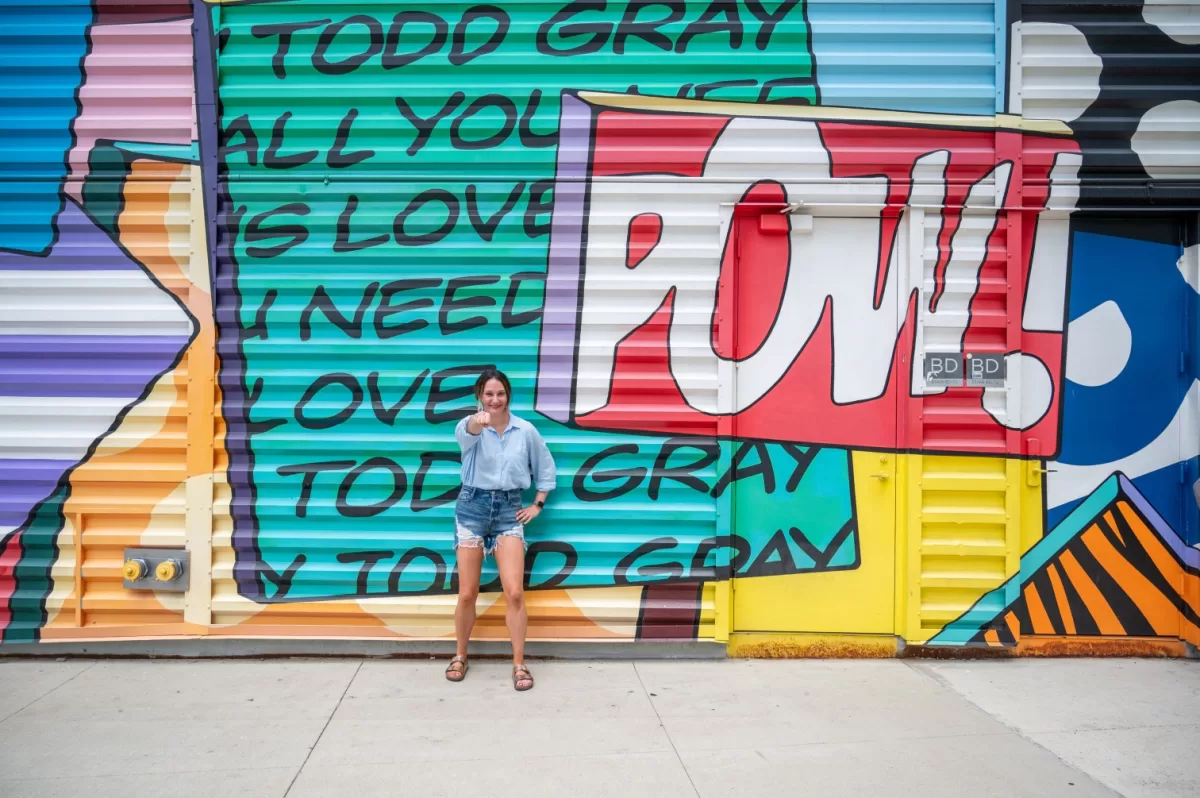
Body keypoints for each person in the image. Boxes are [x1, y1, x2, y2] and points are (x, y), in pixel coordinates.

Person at [444, 368, 556, 691]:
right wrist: (475, 422)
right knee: (467, 593)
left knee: (515, 592)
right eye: (488, 394)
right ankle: (460, 655)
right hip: (472, 507)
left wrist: (538, 504)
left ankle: (519, 663)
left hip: (509, 510)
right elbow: (463, 433)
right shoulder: (471, 427)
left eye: (500, 393)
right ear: (480, 397)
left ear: (508, 396)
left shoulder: (525, 430)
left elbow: (545, 468)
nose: (495, 400)